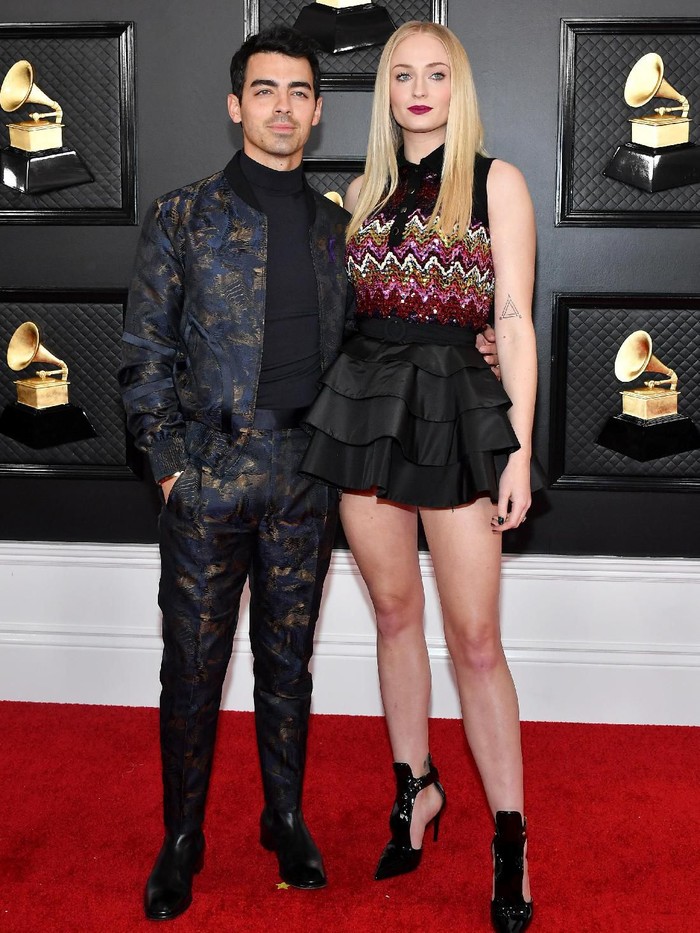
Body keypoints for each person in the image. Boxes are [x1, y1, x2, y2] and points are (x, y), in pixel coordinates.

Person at [299, 21, 536, 933]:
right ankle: (418, 789)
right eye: (404, 75)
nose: (420, 89)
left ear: (458, 86)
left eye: (438, 74)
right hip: (364, 410)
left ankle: (511, 838)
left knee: (476, 640)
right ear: (385, 90)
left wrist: (518, 443)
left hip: (459, 414)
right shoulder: (355, 193)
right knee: (393, 616)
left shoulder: (496, 183)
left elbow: (511, 320)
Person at [118, 26, 354, 920]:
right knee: (193, 665)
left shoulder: (337, 230)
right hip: (210, 474)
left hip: (305, 475)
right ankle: (182, 838)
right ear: (235, 104)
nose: (283, 107)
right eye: (265, 90)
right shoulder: (182, 218)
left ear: (317, 110)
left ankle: (283, 817)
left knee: (286, 664)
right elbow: (144, 354)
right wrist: (174, 470)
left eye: (298, 92)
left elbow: (370, 349)